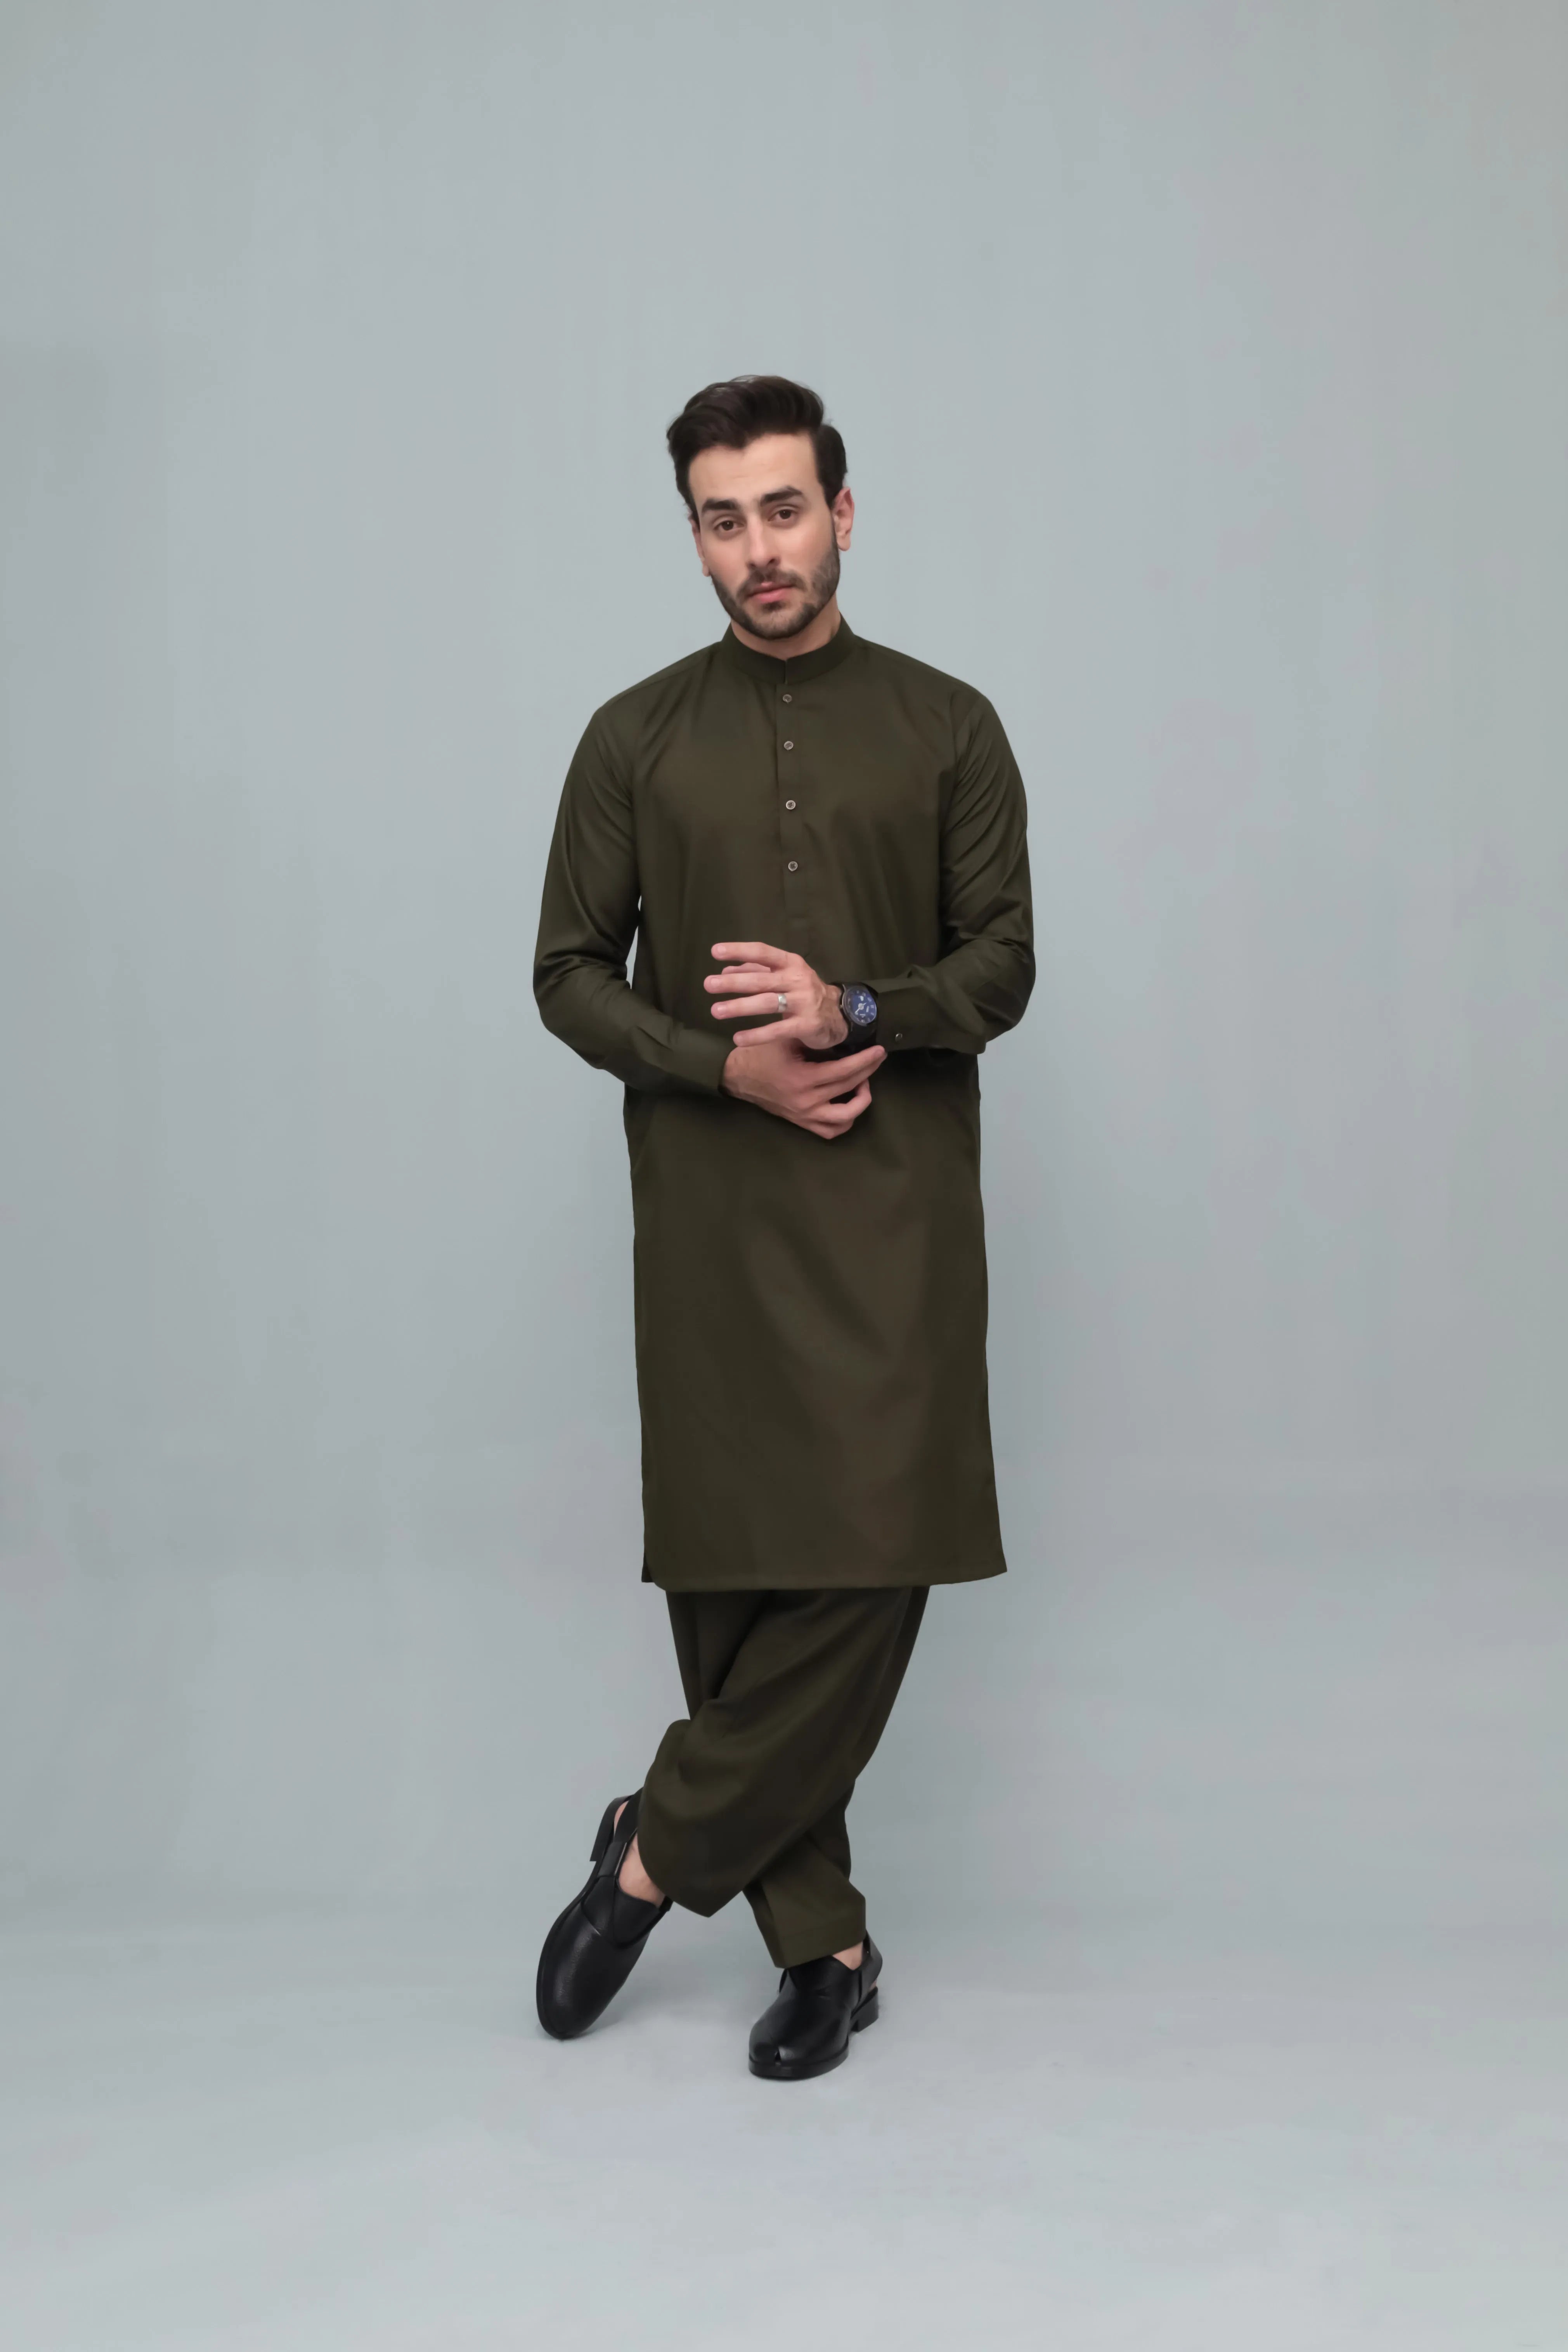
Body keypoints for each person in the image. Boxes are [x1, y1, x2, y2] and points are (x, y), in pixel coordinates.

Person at [532, 375, 1033, 2080]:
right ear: (693, 534)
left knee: (875, 1558)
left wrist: (856, 1005)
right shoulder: (634, 736)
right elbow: (567, 974)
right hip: (711, 1218)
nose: (760, 548)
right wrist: (721, 1065)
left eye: (786, 509)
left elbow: (1002, 965)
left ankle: (651, 1850)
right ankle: (826, 1950)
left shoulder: (949, 725)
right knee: (737, 1585)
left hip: (895, 1215)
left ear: (844, 512)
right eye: (723, 518)